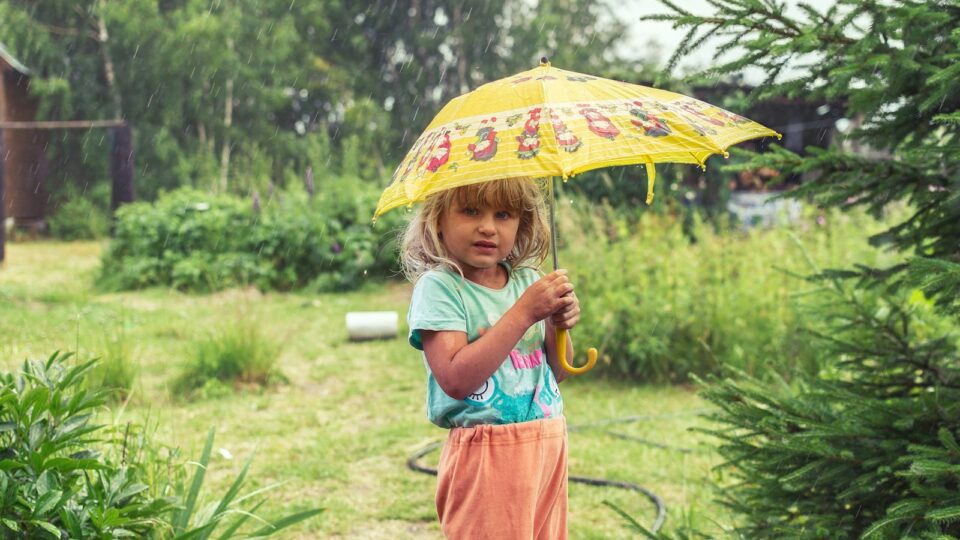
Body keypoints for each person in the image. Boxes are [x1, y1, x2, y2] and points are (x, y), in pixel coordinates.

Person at [401, 177, 581, 539]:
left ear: (522, 223)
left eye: (503, 214)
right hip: (488, 454)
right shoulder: (441, 288)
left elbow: (559, 369)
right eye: (470, 211)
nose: (487, 227)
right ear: (438, 219)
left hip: (547, 443)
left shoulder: (527, 280)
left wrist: (559, 324)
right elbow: (455, 379)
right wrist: (525, 313)